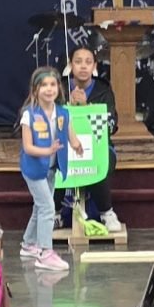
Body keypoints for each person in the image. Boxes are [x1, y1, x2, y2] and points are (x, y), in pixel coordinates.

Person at [18, 66, 83, 271]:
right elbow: (28, 147)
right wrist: (47, 150)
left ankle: (29, 244)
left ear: (59, 88)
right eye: (44, 85)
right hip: (34, 169)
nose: (49, 89)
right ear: (35, 90)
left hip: (52, 168)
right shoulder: (29, 115)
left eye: (53, 84)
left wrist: (77, 145)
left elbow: (70, 134)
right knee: (47, 207)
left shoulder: (63, 112)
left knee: (40, 206)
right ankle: (45, 253)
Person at [61, 45, 122, 233]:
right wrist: (69, 107)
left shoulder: (104, 89)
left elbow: (111, 125)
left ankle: (106, 213)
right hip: (65, 145)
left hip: (99, 145)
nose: (83, 66)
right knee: (54, 161)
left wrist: (86, 107)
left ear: (94, 66)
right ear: (70, 65)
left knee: (99, 161)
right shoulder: (59, 88)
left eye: (88, 62)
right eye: (78, 62)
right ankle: (54, 213)